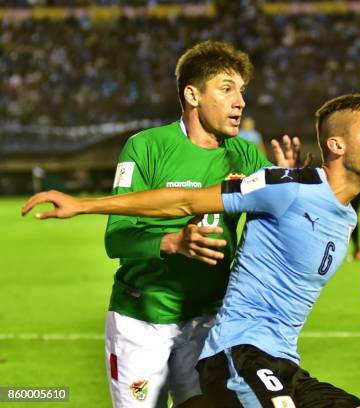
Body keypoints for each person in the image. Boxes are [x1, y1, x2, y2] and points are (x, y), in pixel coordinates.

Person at [23, 93, 360, 407]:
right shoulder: (287, 186)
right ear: (336, 145)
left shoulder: (345, 216)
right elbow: (184, 200)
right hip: (238, 355)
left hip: (282, 363)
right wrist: (85, 205)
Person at [100, 40, 304, 408]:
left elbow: (281, 235)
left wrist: (286, 191)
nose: (240, 101)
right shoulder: (145, 147)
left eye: (241, 91)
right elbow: (116, 239)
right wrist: (174, 242)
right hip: (142, 320)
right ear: (192, 95)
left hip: (208, 321)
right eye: (227, 89)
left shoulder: (244, 154)